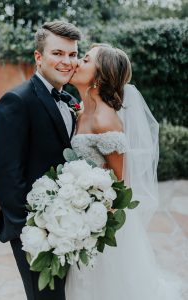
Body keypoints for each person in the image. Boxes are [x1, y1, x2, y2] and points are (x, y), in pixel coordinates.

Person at [66, 44, 183, 299]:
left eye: (85, 60)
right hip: (79, 216)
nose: (76, 63)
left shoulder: (104, 120)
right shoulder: (81, 110)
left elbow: (122, 185)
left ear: (99, 77)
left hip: (101, 224)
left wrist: (94, 221)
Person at [0, 21, 81, 300]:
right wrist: (33, 236)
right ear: (38, 57)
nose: (66, 62)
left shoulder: (70, 99)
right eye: (58, 53)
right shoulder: (16, 101)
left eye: (73, 54)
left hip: (67, 228)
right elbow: (6, 176)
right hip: (35, 234)